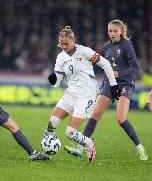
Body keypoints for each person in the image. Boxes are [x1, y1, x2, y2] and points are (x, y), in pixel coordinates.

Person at [64, 20, 148, 161]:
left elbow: (135, 68)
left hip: (124, 84)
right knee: (94, 114)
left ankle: (140, 147)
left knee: (121, 119)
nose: (112, 34)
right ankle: (79, 148)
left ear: (121, 31)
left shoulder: (127, 45)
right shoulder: (106, 47)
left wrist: (118, 74)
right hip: (109, 85)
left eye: (115, 31)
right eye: (110, 31)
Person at [44, 26, 121, 162]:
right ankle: (45, 149)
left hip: (87, 94)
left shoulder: (84, 51)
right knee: (52, 122)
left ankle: (89, 143)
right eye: (61, 44)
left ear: (73, 40)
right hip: (71, 92)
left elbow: (106, 64)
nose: (63, 46)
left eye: (66, 44)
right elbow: (57, 82)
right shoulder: (60, 57)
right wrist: (53, 80)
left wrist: (114, 85)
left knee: (70, 132)